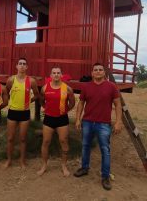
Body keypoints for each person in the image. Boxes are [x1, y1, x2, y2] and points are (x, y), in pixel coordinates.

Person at [73, 62, 123, 190]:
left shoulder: (111, 87)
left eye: (100, 70)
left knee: (105, 150)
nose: (98, 71)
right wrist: (78, 119)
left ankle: (105, 176)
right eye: (95, 70)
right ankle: (84, 168)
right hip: (88, 122)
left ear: (104, 72)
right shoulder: (87, 86)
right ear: (92, 73)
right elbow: (81, 104)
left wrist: (118, 122)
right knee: (85, 146)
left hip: (103, 124)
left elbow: (118, 105)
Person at [37, 67, 75, 176]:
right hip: (49, 118)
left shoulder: (67, 89)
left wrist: (65, 110)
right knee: (46, 142)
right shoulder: (45, 88)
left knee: (63, 141)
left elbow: (72, 103)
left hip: (62, 119)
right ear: (51, 75)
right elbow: (41, 101)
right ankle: (44, 165)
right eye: (54, 73)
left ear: (61, 75)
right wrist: (47, 108)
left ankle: (64, 165)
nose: (56, 75)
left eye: (58, 73)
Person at [4, 57, 39, 168]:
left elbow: (37, 95)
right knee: (10, 138)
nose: (22, 65)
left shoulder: (31, 81)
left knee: (23, 138)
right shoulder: (11, 80)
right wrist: (11, 101)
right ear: (17, 66)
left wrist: (29, 101)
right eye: (20, 63)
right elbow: (6, 93)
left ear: (27, 67)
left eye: (24, 64)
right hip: (13, 112)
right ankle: (9, 160)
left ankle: (22, 161)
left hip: (24, 113)